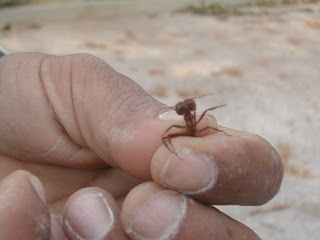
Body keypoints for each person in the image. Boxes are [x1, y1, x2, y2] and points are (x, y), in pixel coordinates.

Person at [0, 53, 283, 240]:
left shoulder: (191, 120)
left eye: (187, 107)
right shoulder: (177, 124)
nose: (186, 108)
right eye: (185, 107)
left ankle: (182, 164)